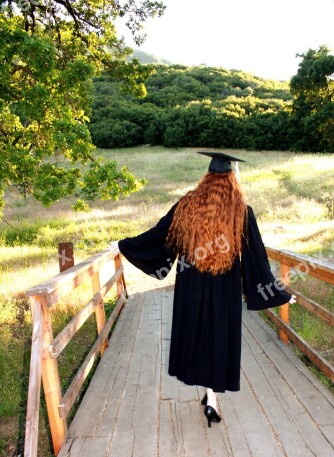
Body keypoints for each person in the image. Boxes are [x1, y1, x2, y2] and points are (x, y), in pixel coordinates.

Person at [113, 151, 296, 428]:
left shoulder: (186, 205)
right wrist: (280, 293)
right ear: (232, 179)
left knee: (197, 335)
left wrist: (123, 244)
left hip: (192, 285)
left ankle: (210, 398)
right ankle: (212, 398)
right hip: (225, 288)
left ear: (207, 177)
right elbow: (256, 259)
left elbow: (160, 236)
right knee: (218, 337)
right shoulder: (242, 212)